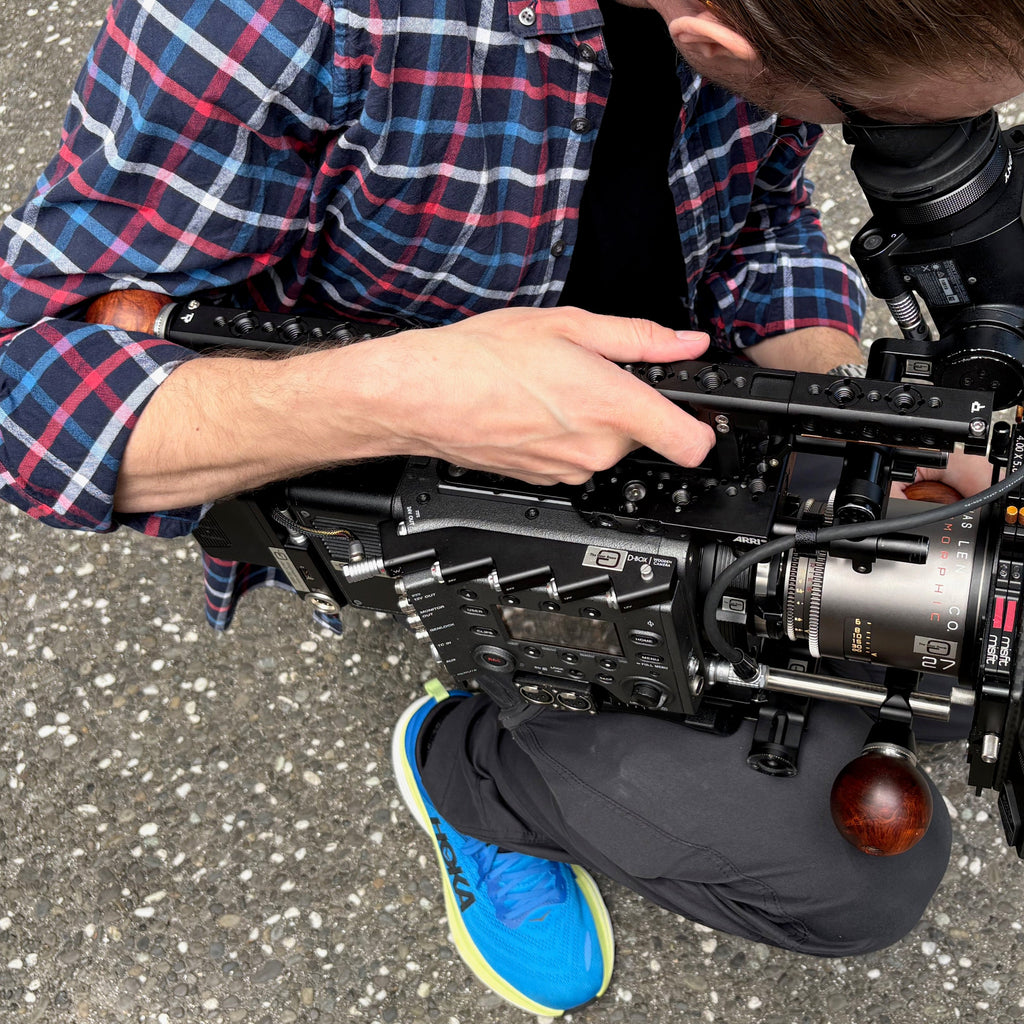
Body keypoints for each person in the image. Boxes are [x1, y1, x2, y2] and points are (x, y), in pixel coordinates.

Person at [1, 0, 1022, 1014]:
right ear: (722, 47)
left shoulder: (783, 37)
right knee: (854, 882)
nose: (907, 144)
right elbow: (28, 386)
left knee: (963, 634)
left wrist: (851, 421)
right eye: (881, 119)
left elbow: (763, 216)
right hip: (434, 492)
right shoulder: (269, 20)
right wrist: (408, 395)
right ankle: (469, 772)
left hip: (681, 431)